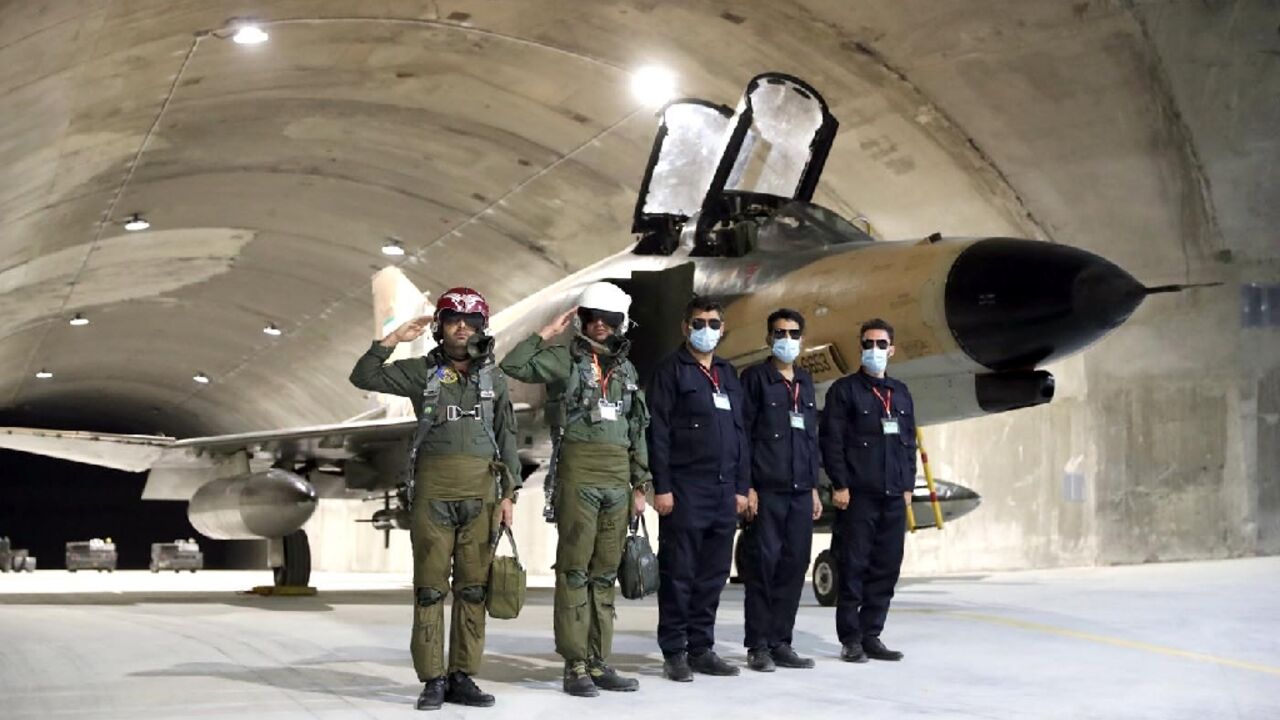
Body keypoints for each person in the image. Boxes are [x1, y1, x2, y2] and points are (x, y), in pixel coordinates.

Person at [349, 287, 521, 711]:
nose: (462, 327)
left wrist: (509, 493)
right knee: (429, 588)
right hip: (433, 495)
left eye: (471, 321)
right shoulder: (419, 373)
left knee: (473, 589)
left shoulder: (493, 379)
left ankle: (462, 676)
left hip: (481, 494)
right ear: (440, 326)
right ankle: (433, 679)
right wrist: (393, 340)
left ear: (482, 327)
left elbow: (507, 435)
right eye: (452, 319)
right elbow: (363, 376)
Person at [499, 281, 651, 697]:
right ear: (581, 319)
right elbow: (513, 365)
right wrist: (545, 333)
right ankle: (575, 664)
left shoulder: (627, 370)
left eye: (609, 319)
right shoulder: (562, 362)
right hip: (578, 477)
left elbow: (638, 430)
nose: (600, 325)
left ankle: (600, 661)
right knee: (574, 572)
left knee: (604, 575)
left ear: (621, 323)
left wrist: (642, 484)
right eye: (592, 317)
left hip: (619, 482)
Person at [646, 296, 749, 681]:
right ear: (685, 327)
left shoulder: (727, 373)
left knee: (713, 573)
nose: (707, 330)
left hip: (724, 492)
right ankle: (674, 651)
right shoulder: (671, 371)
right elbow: (657, 432)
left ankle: (702, 647)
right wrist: (663, 486)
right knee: (679, 573)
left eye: (714, 323)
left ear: (722, 329)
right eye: (699, 323)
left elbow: (741, 434)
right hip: (686, 489)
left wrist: (742, 486)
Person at [819, 318, 916, 664]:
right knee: (854, 567)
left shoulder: (900, 393)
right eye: (867, 343)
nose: (873, 350)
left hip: (893, 498)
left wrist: (908, 486)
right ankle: (851, 639)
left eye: (880, 344)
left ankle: (872, 633)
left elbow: (909, 444)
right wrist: (840, 484)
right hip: (858, 497)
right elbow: (832, 442)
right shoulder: (844, 391)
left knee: (886, 567)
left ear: (892, 349)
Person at [739, 308, 822, 672]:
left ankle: (781, 642)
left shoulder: (805, 381)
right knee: (763, 567)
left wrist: (816, 488)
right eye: (779, 333)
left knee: (794, 566)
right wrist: (748, 486)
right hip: (767, 492)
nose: (786, 340)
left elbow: (810, 439)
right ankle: (758, 645)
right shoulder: (755, 379)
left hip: (801, 492)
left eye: (792, 334)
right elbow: (742, 436)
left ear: (802, 340)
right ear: (768, 338)